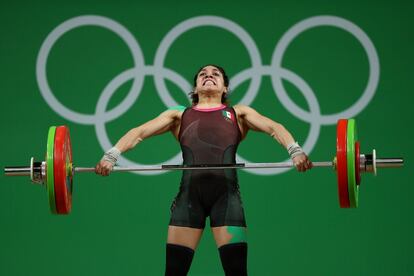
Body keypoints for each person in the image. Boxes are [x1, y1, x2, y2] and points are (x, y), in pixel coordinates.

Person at [95, 64, 312, 276]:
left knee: (237, 272)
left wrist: (295, 151)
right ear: (196, 87)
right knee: (173, 272)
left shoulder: (238, 113)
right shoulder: (179, 115)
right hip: (189, 200)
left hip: (226, 200)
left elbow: (274, 128)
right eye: (203, 74)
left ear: (225, 88)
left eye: (216, 73)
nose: (209, 75)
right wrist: (111, 155)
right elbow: (139, 132)